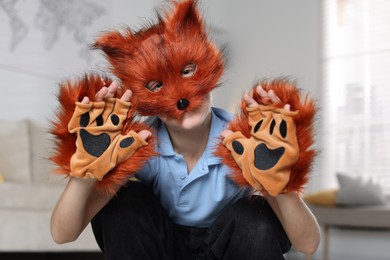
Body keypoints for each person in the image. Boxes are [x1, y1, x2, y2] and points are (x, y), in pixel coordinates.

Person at [50, 1, 320, 259]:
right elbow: (63, 234)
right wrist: (85, 170)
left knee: (255, 217)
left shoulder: (243, 141)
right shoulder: (138, 143)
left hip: (227, 248)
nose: (180, 97)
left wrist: (281, 185)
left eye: (188, 71)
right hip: (162, 249)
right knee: (124, 203)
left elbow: (308, 243)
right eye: (157, 86)